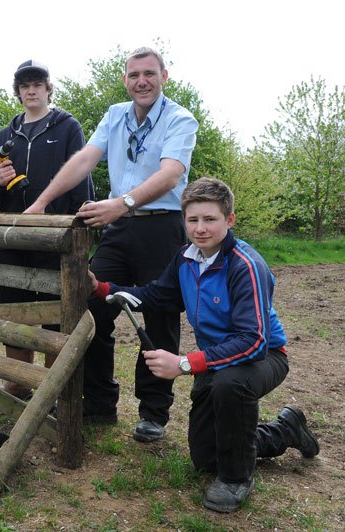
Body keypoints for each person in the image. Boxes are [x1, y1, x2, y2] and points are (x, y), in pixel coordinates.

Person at [89, 177, 320, 513]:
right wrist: (101, 287)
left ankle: (237, 479)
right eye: (192, 220)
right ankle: (285, 430)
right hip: (219, 360)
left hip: (265, 357)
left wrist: (184, 364)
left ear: (229, 220)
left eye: (209, 219)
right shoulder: (185, 258)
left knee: (232, 383)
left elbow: (253, 342)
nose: (200, 229)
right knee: (205, 457)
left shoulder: (246, 265)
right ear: (183, 220)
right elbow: (157, 295)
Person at [26, 47, 199, 441]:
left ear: (164, 76)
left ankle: (153, 413)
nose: (142, 81)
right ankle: (100, 402)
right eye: (134, 74)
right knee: (90, 305)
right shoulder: (115, 114)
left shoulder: (180, 119)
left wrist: (122, 203)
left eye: (149, 74)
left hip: (162, 226)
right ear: (125, 79)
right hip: (119, 230)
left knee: (159, 316)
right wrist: (42, 201)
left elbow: (171, 175)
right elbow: (85, 159)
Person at [0, 60, 94, 399]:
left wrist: (82, 228)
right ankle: (17, 383)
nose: (31, 90)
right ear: (17, 92)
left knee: (56, 312)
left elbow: (81, 178)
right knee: (14, 311)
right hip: (13, 237)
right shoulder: (4, 136)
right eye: (24, 85)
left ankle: (52, 388)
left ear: (49, 89)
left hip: (56, 237)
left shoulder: (67, 127)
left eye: (37, 84)